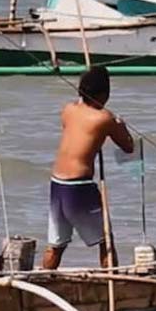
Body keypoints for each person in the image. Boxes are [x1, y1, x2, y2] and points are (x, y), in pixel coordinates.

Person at [42, 66, 135, 270]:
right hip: (79, 186)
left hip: (57, 184)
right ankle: (112, 282)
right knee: (106, 240)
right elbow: (129, 147)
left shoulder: (68, 110)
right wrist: (121, 125)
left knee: (56, 245)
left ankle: (43, 280)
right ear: (104, 95)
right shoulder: (105, 118)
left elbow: (79, 134)